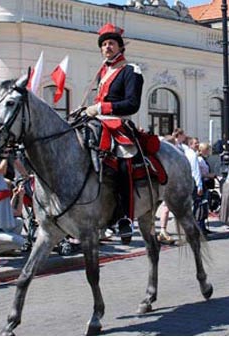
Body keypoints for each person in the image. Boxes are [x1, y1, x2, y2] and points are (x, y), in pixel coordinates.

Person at [84, 22, 144, 237]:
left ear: (120, 47)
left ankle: (125, 217)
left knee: (123, 163)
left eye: (111, 43)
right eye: (104, 44)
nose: (107, 47)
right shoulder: (103, 72)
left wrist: (101, 107)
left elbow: (132, 104)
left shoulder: (131, 70)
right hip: (98, 122)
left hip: (118, 123)